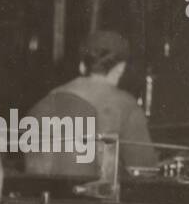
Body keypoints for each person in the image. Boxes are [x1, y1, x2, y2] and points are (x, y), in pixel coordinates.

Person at [26, 30, 156, 174]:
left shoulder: (49, 98)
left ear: (81, 66)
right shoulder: (126, 104)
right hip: (98, 195)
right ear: (120, 69)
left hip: (44, 193)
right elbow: (144, 169)